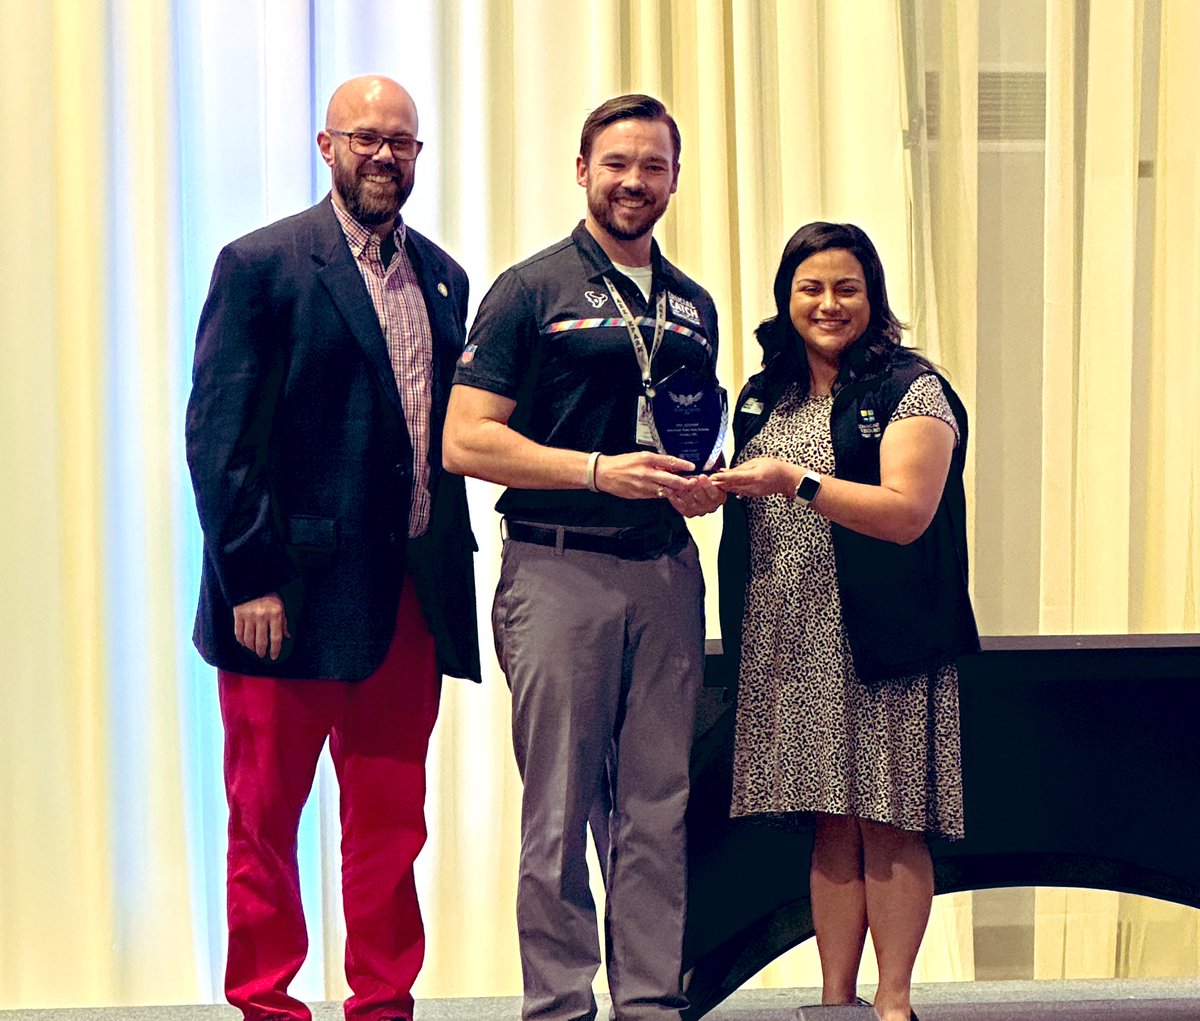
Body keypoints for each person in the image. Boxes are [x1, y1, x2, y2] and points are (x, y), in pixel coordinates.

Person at [185, 75, 480, 1021]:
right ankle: (266, 1003)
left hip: (408, 601)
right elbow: (219, 438)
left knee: (391, 826)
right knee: (264, 824)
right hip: (286, 603)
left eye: (401, 142)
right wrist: (252, 578)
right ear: (326, 145)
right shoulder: (263, 264)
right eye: (365, 139)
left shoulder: (444, 276)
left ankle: (383, 1003)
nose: (384, 156)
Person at [443, 94, 724, 1021]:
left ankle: (647, 1001)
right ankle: (558, 1005)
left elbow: (677, 429)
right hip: (558, 568)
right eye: (616, 164)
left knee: (657, 806)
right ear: (581, 171)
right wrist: (598, 471)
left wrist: (694, 483)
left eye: (652, 165)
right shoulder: (530, 290)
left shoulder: (693, 305)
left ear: (675, 178)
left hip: (666, 570)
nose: (634, 181)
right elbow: (467, 441)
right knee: (558, 815)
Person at [711, 222, 979, 1021]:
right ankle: (835, 1003)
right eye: (811, 288)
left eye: (846, 288)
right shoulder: (767, 394)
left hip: (882, 636)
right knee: (830, 826)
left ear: (874, 297)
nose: (828, 304)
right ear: (786, 298)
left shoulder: (912, 388)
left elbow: (906, 514)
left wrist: (798, 480)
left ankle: (893, 1004)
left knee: (890, 820)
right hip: (790, 637)